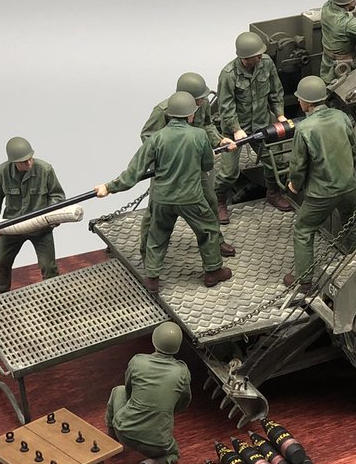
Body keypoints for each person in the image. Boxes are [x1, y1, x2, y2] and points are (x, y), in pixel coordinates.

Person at [96, 91, 232, 293]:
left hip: (162, 198)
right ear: (190, 115)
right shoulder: (199, 135)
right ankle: (213, 271)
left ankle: (152, 277)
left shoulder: (156, 138)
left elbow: (135, 171)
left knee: (157, 236)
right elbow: (207, 165)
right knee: (208, 230)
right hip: (191, 197)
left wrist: (108, 187)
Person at [138, 72, 233, 253]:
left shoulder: (202, 104)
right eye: (199, 99)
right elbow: (148, 137)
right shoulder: (163, 111)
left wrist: (219, 140)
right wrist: (166, 158)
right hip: (168, 169)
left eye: (203, 98)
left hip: (195, 164)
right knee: (154, 211)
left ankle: (215, 241)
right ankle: (146, 250)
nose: (202, 101)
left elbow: (207, 125)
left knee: (210, 201)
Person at [285, 76, 356, 294]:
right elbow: (353, 147)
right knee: (351, 223)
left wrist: (294, 185)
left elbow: (298, 165)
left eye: (300, 99)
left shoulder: (304, 128)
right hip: (349, 186)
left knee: (303, 230)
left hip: (322, 193)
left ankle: (304, 281)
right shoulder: (341, 117)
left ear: (306, 103)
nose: (299, 102)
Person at [214, 31, 293, 222]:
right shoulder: (228, 75)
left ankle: (273, 193)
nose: (260, 58)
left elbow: (275, 90)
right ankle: (219, 202)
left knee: (276, 161)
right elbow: (226, 106)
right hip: (235, 130)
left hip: (262, 124)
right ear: (244, 58)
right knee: (229, 172)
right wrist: (236, 129)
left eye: (260, 54)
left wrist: (280, 114)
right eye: (256, 56)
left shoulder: (266, 63)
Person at [105, 321, 191, 464]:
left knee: (118, 391)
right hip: (157, 443)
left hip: (124, 430)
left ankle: (112, 440)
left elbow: (128, 390)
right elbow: (184, 402)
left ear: (154, 339)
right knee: (174, 454)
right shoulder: (182, 372)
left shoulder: (138, 361)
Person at [0, 136, 64, 294]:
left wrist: (53, 214)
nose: (29, 163)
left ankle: (54, 296)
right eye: (24, 161)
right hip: (12, 226)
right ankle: (0, 297)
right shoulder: (1, 173)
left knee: (48, 266)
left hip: (40, 227)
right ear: (14, 162)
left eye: (30, 158)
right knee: (1, 262)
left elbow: (57, 195)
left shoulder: (45, 170)